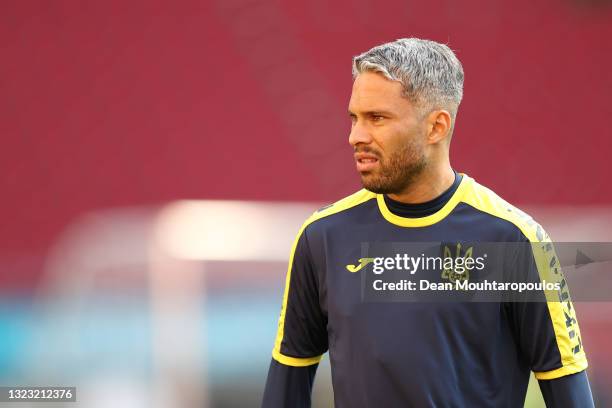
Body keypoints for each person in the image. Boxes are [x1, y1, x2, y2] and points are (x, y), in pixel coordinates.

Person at [261, 38, 593, 407]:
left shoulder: (515, 241)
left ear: (436, 127)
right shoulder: (322, 239)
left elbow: (570, 393)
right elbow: (285, 388)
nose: (356, 136)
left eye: (377, 118)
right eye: (354, 118)